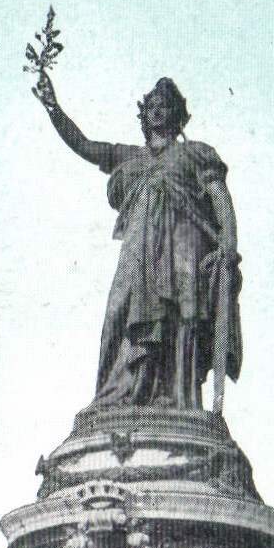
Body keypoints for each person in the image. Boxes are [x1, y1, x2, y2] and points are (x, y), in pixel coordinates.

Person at [33, 71, 242, 415]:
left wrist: (228, 245)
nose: (159, 111)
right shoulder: (129, 156)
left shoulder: (196, 154)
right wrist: (53, 108)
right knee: (119, 310)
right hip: (137, 253)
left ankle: (178, 399)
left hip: (184, 246)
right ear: (143, 114)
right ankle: (120, 394)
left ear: (178, 116)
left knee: (181, 315)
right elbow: (85, 146)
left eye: (167, 106)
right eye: (153, 106)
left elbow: (220, 198)